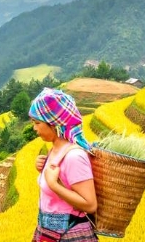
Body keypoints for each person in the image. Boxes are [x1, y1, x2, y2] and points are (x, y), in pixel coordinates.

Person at [29, 88, 98, 242]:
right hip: (49, 232)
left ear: (54, 124)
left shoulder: (74, 156)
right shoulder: (55, 150)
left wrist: (54, 184)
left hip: (71, 236)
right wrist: (42, 168)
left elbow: (90, 204)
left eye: (37, 123)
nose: (34, 128)